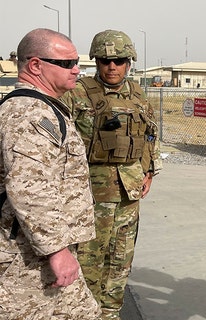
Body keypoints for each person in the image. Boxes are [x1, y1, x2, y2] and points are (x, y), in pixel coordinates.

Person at [61, 29, 161, 320]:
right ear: (96, 61)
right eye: (105, 60)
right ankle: (86, 313)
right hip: (90, 194)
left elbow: (151, 135)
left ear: (129, 62)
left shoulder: (139, 95)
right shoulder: (76, 93)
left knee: (120, 259)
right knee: (89, 260)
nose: (112, 66)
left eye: (119, 60)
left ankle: (111, 313)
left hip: (128, 193)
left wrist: (150, 170)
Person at [0, 28, 100, 319]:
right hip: (26, 259)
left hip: (38, 250)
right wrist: (57, 251)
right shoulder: (30, 114)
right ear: (35, 65)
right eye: (67, 63)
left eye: (76, 62)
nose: (77, 70)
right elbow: (30, 188)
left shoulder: (44, 108)